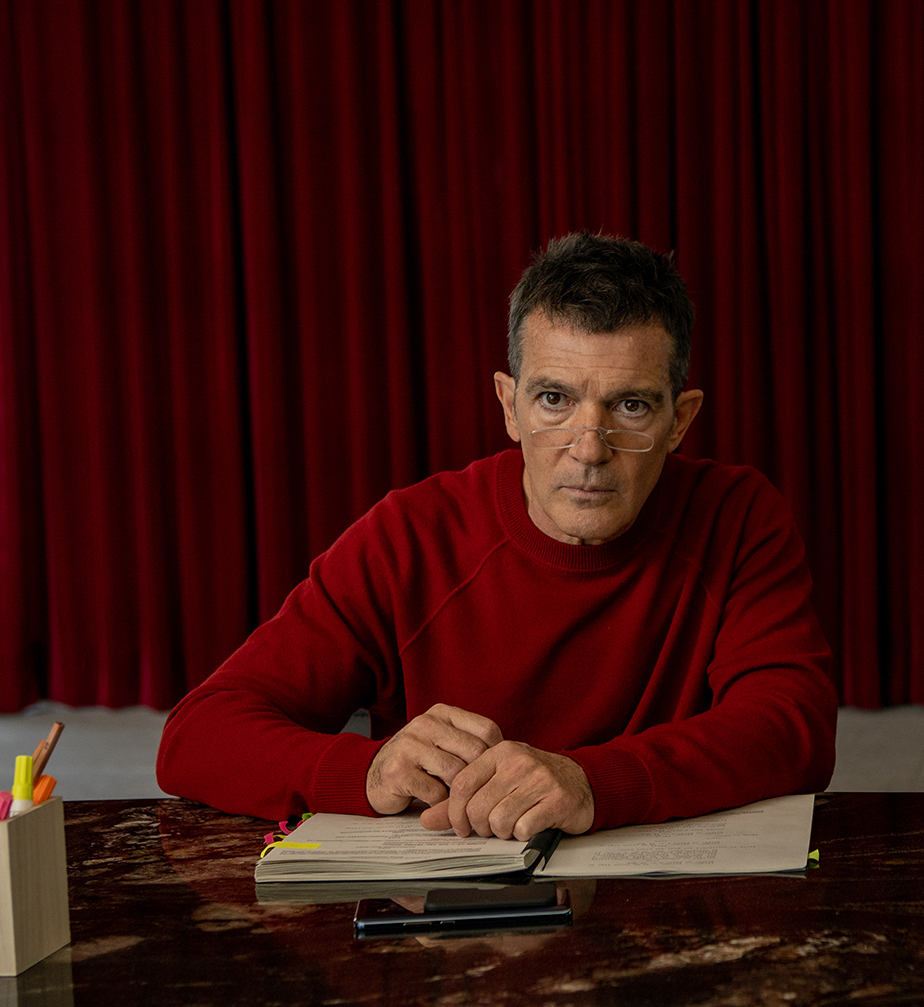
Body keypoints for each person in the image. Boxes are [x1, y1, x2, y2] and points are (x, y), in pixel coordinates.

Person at [158, 232, 837, 839]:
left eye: (630, 405)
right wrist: (370, 770)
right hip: (447, 915)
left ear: (679, 421)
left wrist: (592, 783)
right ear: (509, 406)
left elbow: (793, 726)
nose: (589, 448)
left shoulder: (737, 516)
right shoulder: (409, 538)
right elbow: (198, 736)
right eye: (554, 400)